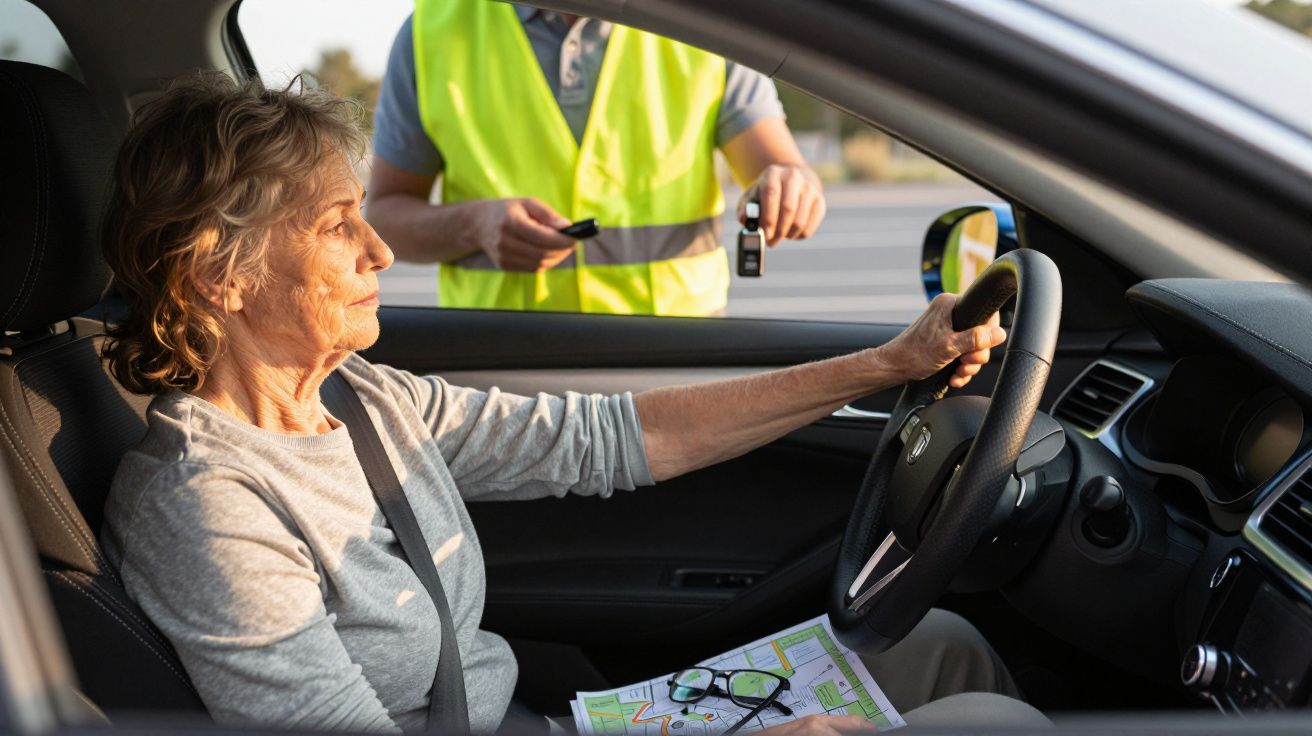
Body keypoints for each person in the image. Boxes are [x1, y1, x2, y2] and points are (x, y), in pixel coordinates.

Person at [99, 75, 1047, 734]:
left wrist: (885, 365)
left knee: (941, 649)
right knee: (995, 721)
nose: (381, 252)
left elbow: (612, 439)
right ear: (219, 273)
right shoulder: (204, 507)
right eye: (336, 226)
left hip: (550, 723)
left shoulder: (363, 400)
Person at [365, 1, 827, 316]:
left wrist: (791, 187)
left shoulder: (705, 21)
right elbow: (386, 218)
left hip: (675, 356)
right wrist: (474, 225)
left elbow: (780, 167)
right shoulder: (434, 28)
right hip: (502, 368)